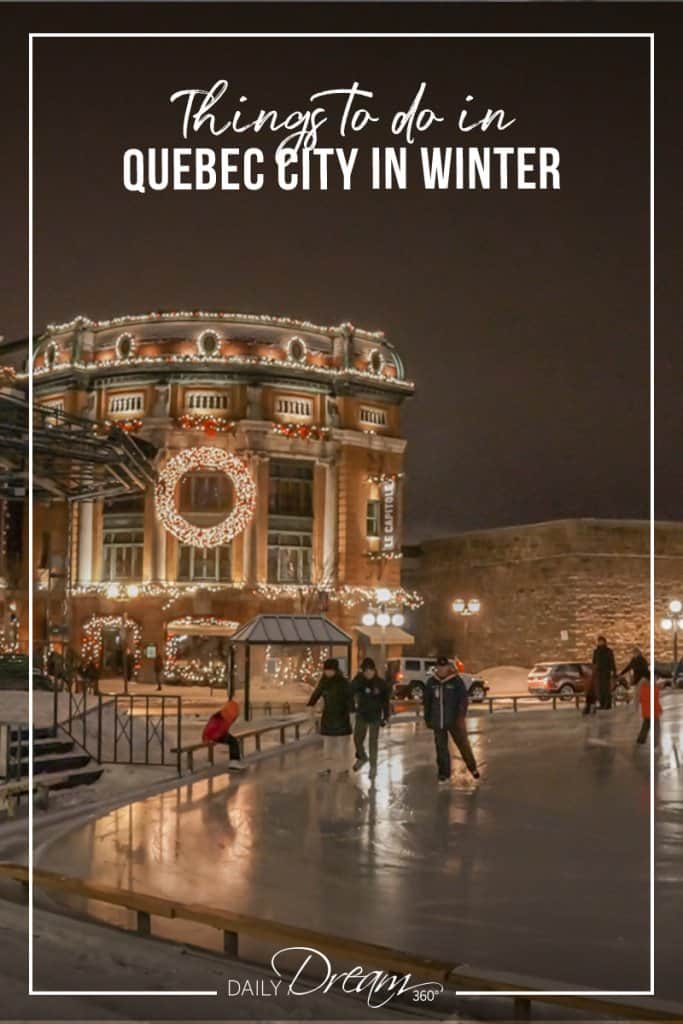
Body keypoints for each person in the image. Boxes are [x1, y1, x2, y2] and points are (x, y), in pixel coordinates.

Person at [424, 656, 479, 783]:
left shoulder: (456, 682)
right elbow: (427, 702)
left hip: (455, 721)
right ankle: (444, 773)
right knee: (441, 748)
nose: (442, 669)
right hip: (438, 721)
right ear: (436, 668)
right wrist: (428, 718)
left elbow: (463, 700)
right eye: (439, 667)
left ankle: (473, 768)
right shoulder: (431, 683)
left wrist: (460, 717)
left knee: (463, 745)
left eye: (444, 667)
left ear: (448, 667)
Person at [307, 657, 353, 775]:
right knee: (328, 746)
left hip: (342, 718)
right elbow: (315, 695)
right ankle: (328, 767)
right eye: (326, 670)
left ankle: (344, 767)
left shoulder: (343, 683)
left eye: (330, 670)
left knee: (343, 745)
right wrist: (311, 704)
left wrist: (351, 714)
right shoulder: (324, 682)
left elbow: (350, 699)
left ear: (335, 670)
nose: (328, 672)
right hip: (328, 718)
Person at [351, 657, 391, 778]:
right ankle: (362, 757)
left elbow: (385, 702)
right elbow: (350, 692)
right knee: (357, 738)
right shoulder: (359, 681)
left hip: (375, 716)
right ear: (363, 671)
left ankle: (373, 767)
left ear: (374, 670)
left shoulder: (381, 684)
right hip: (362, 714)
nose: (369, 673)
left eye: (371, 670)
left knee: (373, 742)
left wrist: (386, 716)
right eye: (366, 671)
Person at [634, 674, 662, 747]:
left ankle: (641, 739)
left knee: (646, 725)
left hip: (646, 712)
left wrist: (636, 707)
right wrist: (659, 709)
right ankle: (655, 742)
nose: (657, 680)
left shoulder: (643, 688)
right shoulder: (654, 689)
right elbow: (656, 701)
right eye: (656, 678)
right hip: (654, 712)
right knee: (656, 727)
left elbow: (639, 699)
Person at [592, 635, 616, 710]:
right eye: (599, 641)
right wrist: (594, 671)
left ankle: (607, 704)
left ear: (604, 642)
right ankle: (602, 704)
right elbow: (594, 662)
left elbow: (612, 662)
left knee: (606, 689)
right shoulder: (596, 651)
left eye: (601, 641)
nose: (600, 643)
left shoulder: (608, 651)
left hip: (606, 672)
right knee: (600, 690)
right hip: (599, 673)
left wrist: (614, 671)